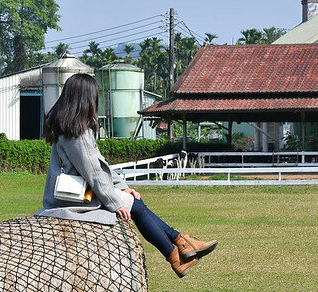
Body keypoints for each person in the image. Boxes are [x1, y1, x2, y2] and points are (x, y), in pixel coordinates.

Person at [35, 73, 216, 277]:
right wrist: (114, 202)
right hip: (78, 197)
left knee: (135, 202)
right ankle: (176, 253)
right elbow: (93, 172)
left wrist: (123, 188)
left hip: (82, 191)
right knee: (136, 206)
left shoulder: (69, 128)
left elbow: (99, 165)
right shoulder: (77, 133)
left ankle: (181, 244)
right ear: (86, 98)